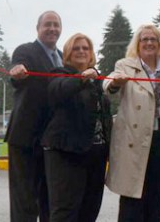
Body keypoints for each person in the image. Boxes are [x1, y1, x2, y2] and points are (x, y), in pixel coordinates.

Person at [103, 24, 160, 222]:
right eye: (144, 39)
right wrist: (114, 83)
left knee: (155, 203)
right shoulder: (125, 66)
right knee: (132, 205)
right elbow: (108, 83)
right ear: (137, 44)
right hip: (134, 144)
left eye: (153, 39)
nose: (149, 43)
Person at [42, 33, 112, 222]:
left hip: (96, 155)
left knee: (89, 211)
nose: (81, 51)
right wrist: (81, 78)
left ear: (91, 54)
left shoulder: (97, 80)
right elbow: (58, 90)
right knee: (65, 212)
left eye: (85, 48)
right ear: (67, 54)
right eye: (76, 48)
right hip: (66, 154)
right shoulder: (59, 73)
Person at [5, 10, 62, 222]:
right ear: (37, 28)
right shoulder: (26, 51)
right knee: (24, 202)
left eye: (56, 25)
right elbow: (17, 70)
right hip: (25, 139)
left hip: (52, 142)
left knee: (49, 200)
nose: (52, 29)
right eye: (47, 24)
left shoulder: (63, 58)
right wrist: (17, 71)